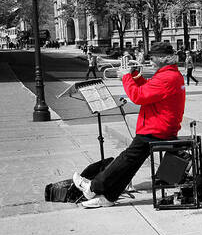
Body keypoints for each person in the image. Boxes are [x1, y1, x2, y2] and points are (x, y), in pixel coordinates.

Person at [72, 42, 186, 208]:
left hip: (157, 128)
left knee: (126, 158)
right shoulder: (168, 74)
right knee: (131, 163)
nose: (150, 62)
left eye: (152, 58)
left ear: (162, 59)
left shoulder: (167, 77)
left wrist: (126, 77)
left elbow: (139, 97)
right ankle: (108, 197)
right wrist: (136, 77)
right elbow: (149, 89)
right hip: (160, 126)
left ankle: (92, 187)